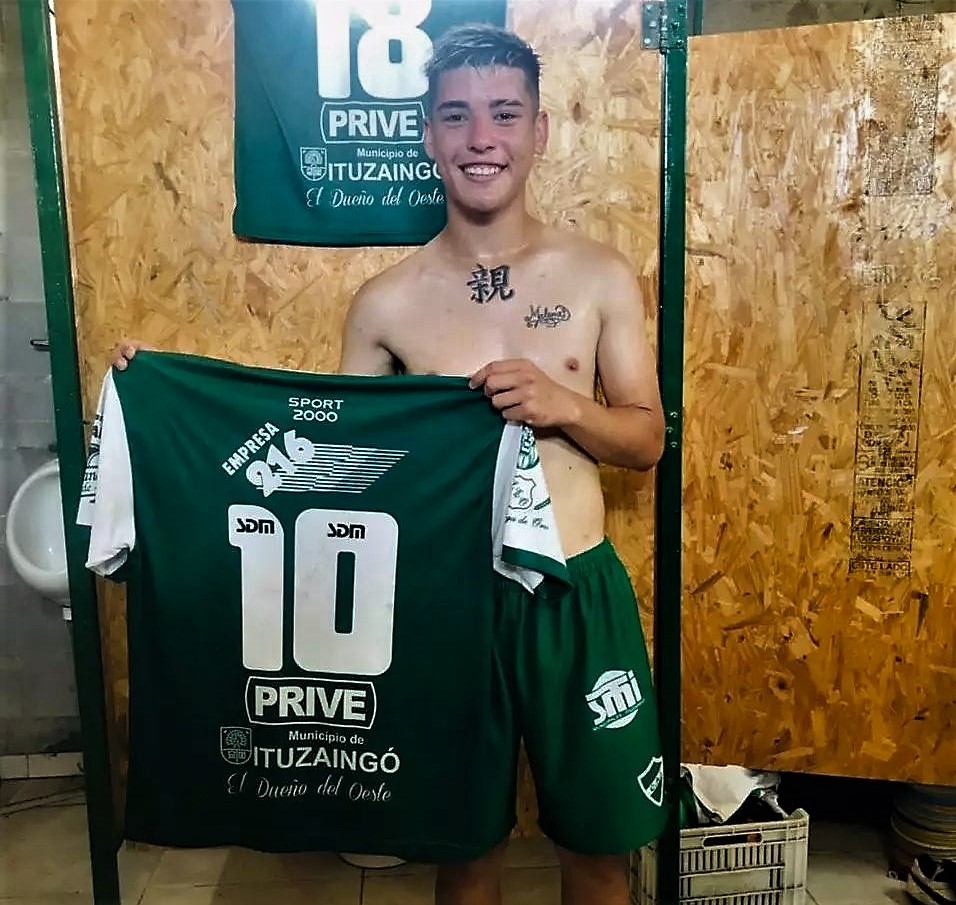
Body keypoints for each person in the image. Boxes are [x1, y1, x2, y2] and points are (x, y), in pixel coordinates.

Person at [114, 23, 667, 905]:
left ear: (539, 132)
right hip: (448, 604)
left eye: (504, 114)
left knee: (601, 854)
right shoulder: (386, 304)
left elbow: (646, 441)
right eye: (455, 116)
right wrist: (165, 398)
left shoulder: (598, 275)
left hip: (575, 592)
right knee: (465, 849)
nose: (481, 137)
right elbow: (332, 467)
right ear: (426, 136)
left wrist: (563, 404)